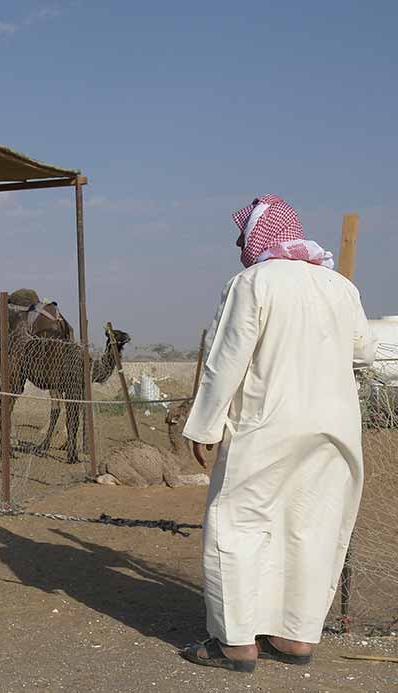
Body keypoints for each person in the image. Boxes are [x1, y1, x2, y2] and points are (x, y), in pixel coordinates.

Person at [179, 195, 377, 672]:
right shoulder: (340, 286)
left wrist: (204, 424)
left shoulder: (252, 282)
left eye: (241, 234)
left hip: (266, 425)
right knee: (312, 524)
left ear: (257, 236)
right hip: (335, 429)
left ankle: (235, 644)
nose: (237, 243)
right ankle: (295, 636)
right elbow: (365, 353)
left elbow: (226, 361)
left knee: (236, 524)